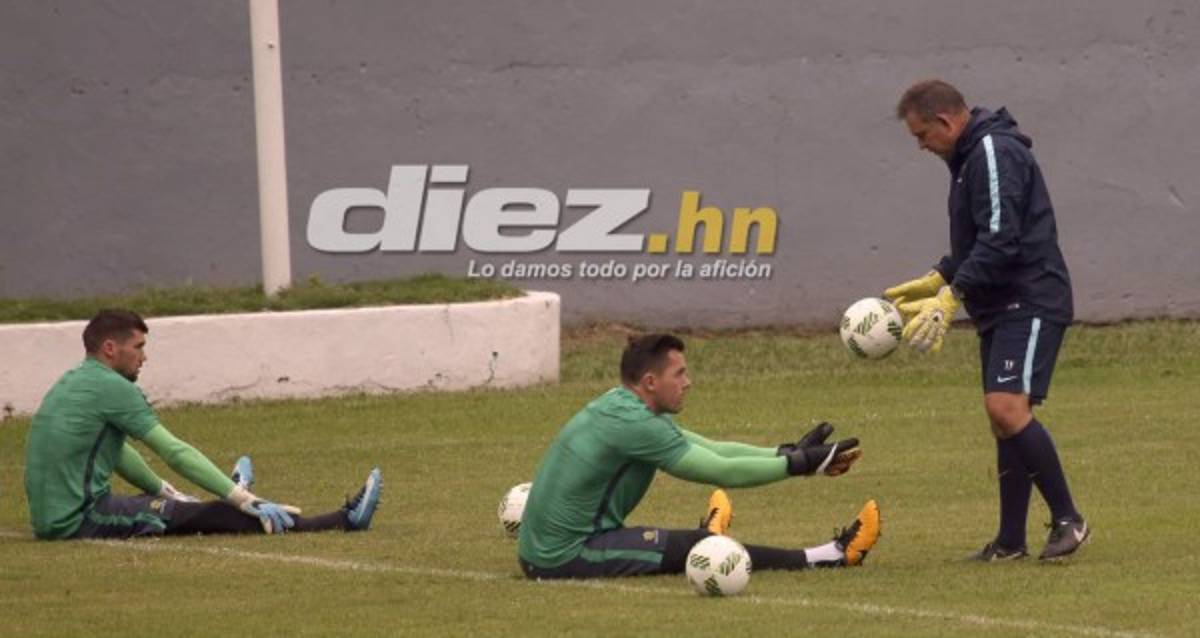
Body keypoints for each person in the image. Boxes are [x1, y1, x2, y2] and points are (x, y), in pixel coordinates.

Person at [886, 79, 1087, 561]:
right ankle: (1010, 542)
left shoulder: (992, 152)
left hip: (1031, 297)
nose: (920, 146)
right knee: (1003, 420)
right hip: (1001, 304)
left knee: (1006, 408)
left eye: (921, 135)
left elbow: (1002, 239)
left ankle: (1069, 520)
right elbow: (977, 244)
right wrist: (937, 277)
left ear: (945, 122)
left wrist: (952, 295)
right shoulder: (968, 160)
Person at [516, 333, 881, 579]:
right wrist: (800, 465)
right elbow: (720, 470)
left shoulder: (622, 406)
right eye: (680, 374)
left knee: (696, 545)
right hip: (563, 557)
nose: (687, 382)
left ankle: (708, 532)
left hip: (554, 547)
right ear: (650, 382)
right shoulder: (636, 425)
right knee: (703, 551)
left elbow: (710, 448)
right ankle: (830, 555)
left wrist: (785, 452)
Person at [23, 308, 382, 540]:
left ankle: (220, 491)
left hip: (56, 518)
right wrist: (245, 499)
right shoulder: (113, 389)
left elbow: (117, 455)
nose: (145, 356)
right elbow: (173, 450)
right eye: (138, 347)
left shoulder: (73, 382)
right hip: (79, 521)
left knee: (172, 506)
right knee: (205, 515)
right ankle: (341, 520)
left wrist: (167, 491)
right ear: (110, 348)